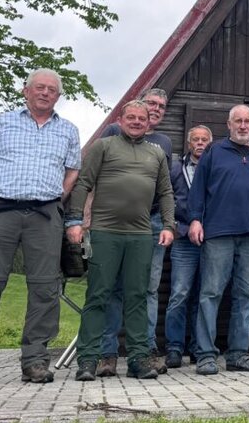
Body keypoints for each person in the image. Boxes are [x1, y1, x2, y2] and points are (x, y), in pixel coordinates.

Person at [0, 69, 81, 387]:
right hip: (2, 212)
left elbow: (71, 173)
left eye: (51, 89)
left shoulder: (68, 130)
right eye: (39, 87)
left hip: (45, 216)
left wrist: (55, 199)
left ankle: (35, 360)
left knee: (45, 289)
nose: (45, 93)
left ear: (58, 96)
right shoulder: (2, 122)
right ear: (25, 91)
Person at [67, 101, 176, 381]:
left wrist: (168, 225)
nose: (137, 121)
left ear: (149, 122)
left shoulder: (157, 153)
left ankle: (139, 359)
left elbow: (165, 193)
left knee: (138, 296)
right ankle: (89, 359)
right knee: (98, 295)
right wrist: (75, 221)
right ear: (121, 118)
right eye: (132, 117)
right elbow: (83, 183)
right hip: (105, 232)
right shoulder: (104, 146)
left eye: (142, 118)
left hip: (141, 234)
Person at [188, 105, 249, 375]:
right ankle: (205, 354)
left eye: (247, 121)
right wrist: (195, 220)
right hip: (218, 233)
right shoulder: (214, 152)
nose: (242, 125)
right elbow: (198, 191)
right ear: (228, 125)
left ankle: (238, 354)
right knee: (211, 292)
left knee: (244, 295)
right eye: (237, 121)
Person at [95, 88, 173, 377]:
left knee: (148, 289)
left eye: (161, 106)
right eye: (151, 103)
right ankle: (107, 353)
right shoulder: (113, 133)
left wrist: (168, 223)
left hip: (150, 223)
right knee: (114, 288)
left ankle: (146, 350)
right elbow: (95, 175)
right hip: (114, 224)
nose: (155, 109)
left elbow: (166, 188)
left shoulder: (163, 142)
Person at [163, 124, 214, 369]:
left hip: (211, 241)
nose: (200, 143)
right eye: (196, 139)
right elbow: (165, 196)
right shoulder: (175, 168)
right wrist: (172, 224)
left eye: (205, 139)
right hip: (183, 238)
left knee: (203, 296)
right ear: (189, 143)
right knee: (179, 294)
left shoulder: (217, 168)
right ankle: (174, 348)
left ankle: (198, 347)